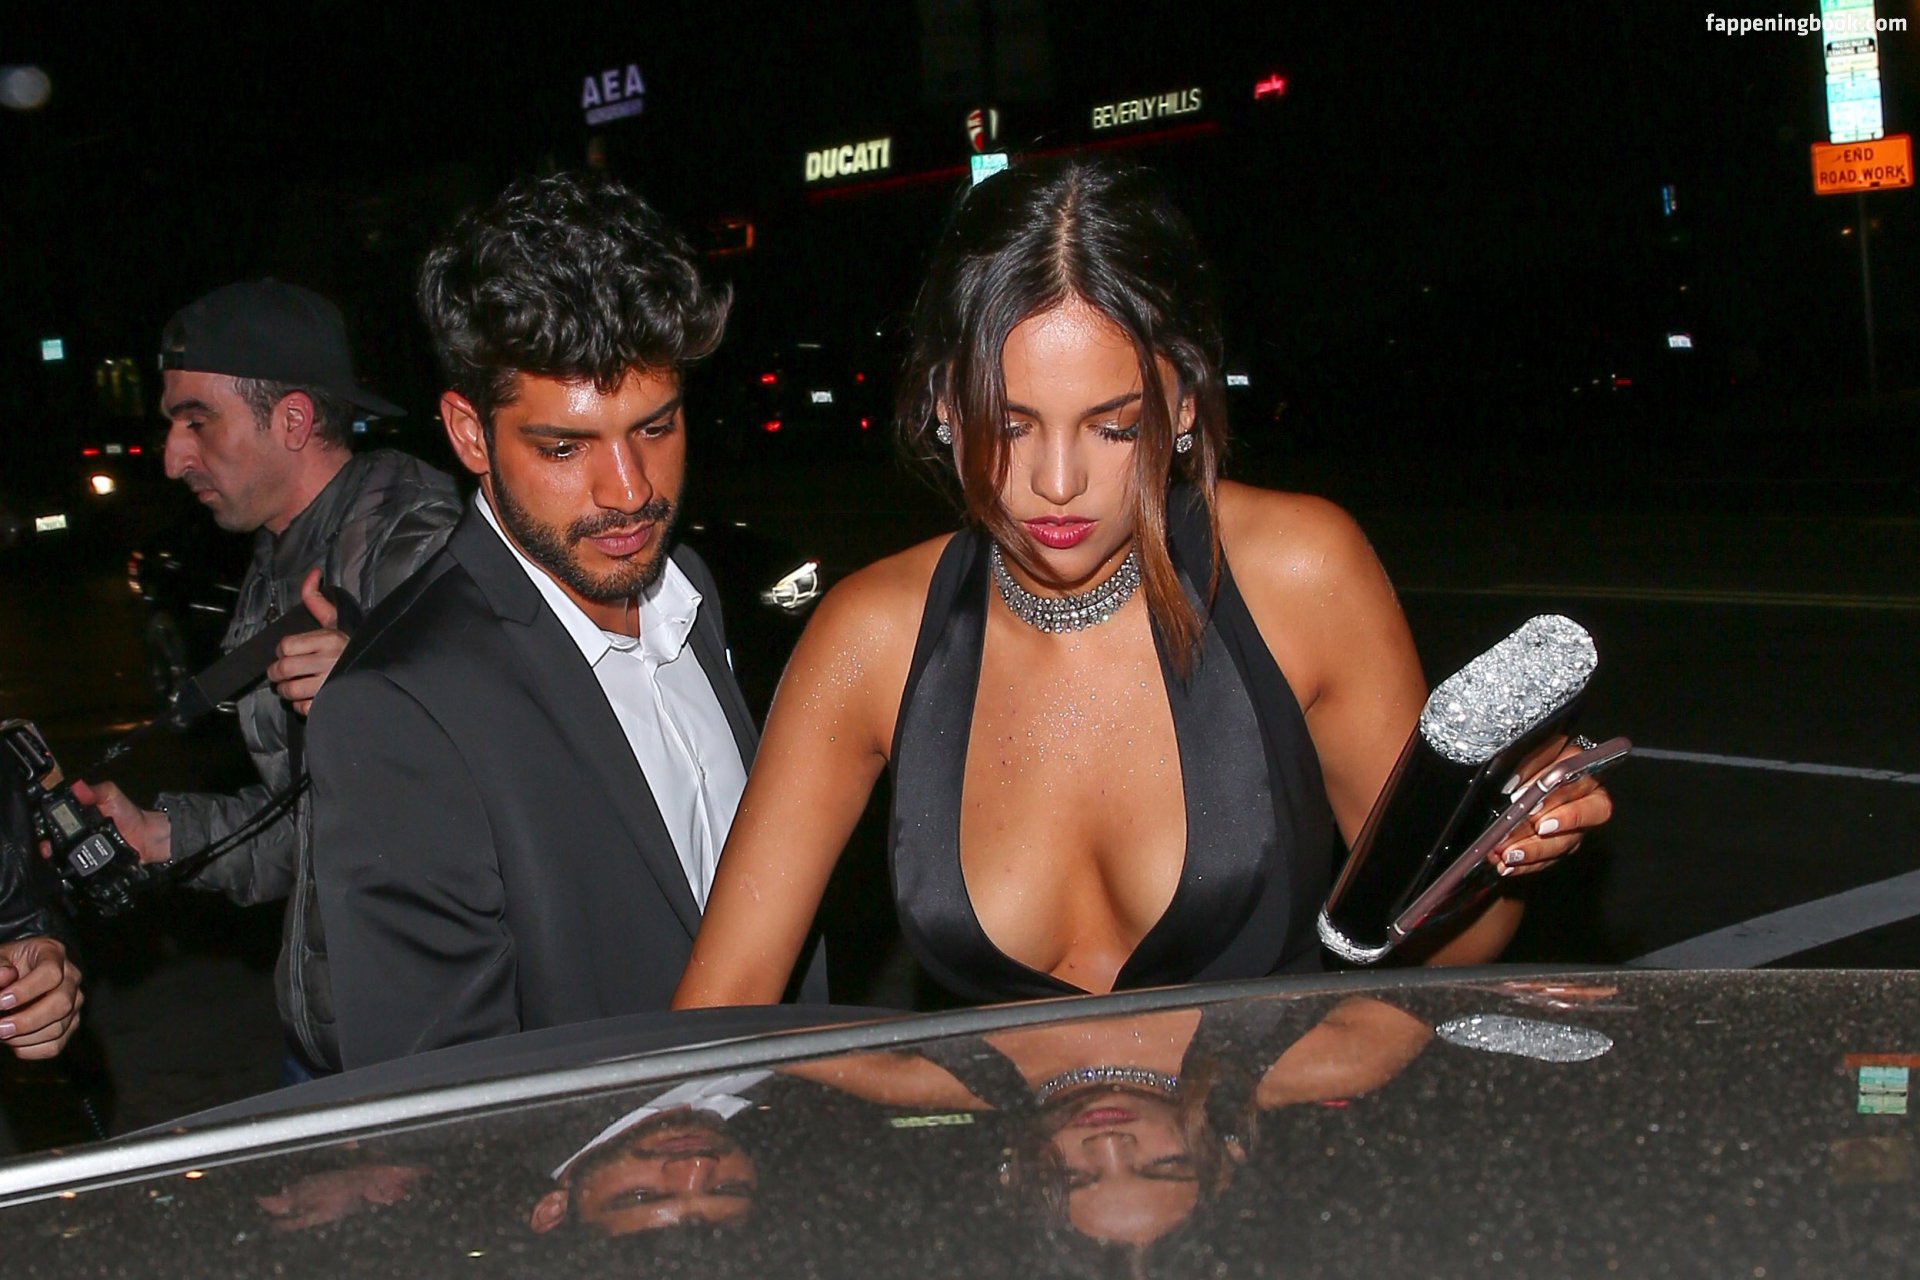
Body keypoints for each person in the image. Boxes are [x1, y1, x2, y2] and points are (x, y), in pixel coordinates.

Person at [673, 154, 1614, 1010]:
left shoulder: (1300, 574)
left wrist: (1499, 854)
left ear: (1187, 405)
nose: (1058, 481)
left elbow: (1441, 954)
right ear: (943, 406)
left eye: (1115, 427)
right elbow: (724, 1000)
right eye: (1010, 423)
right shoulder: (869, 637)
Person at [309, 172, 817, 1071]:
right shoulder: (397, 710)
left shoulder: (688, 590)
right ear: (470, 434)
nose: (629, 491)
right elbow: (442, 1097)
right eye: (564, 447)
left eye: (654, 428)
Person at [72, 281, 461, 1074]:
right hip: (327, 1039)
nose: (173, 458)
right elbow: (316, 826)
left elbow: (505, 778)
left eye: (196, 422)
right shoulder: (280, 558)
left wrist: (383, 694)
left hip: (428, 1046)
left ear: (292, 420)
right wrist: (158, 835)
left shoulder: (415, 539)